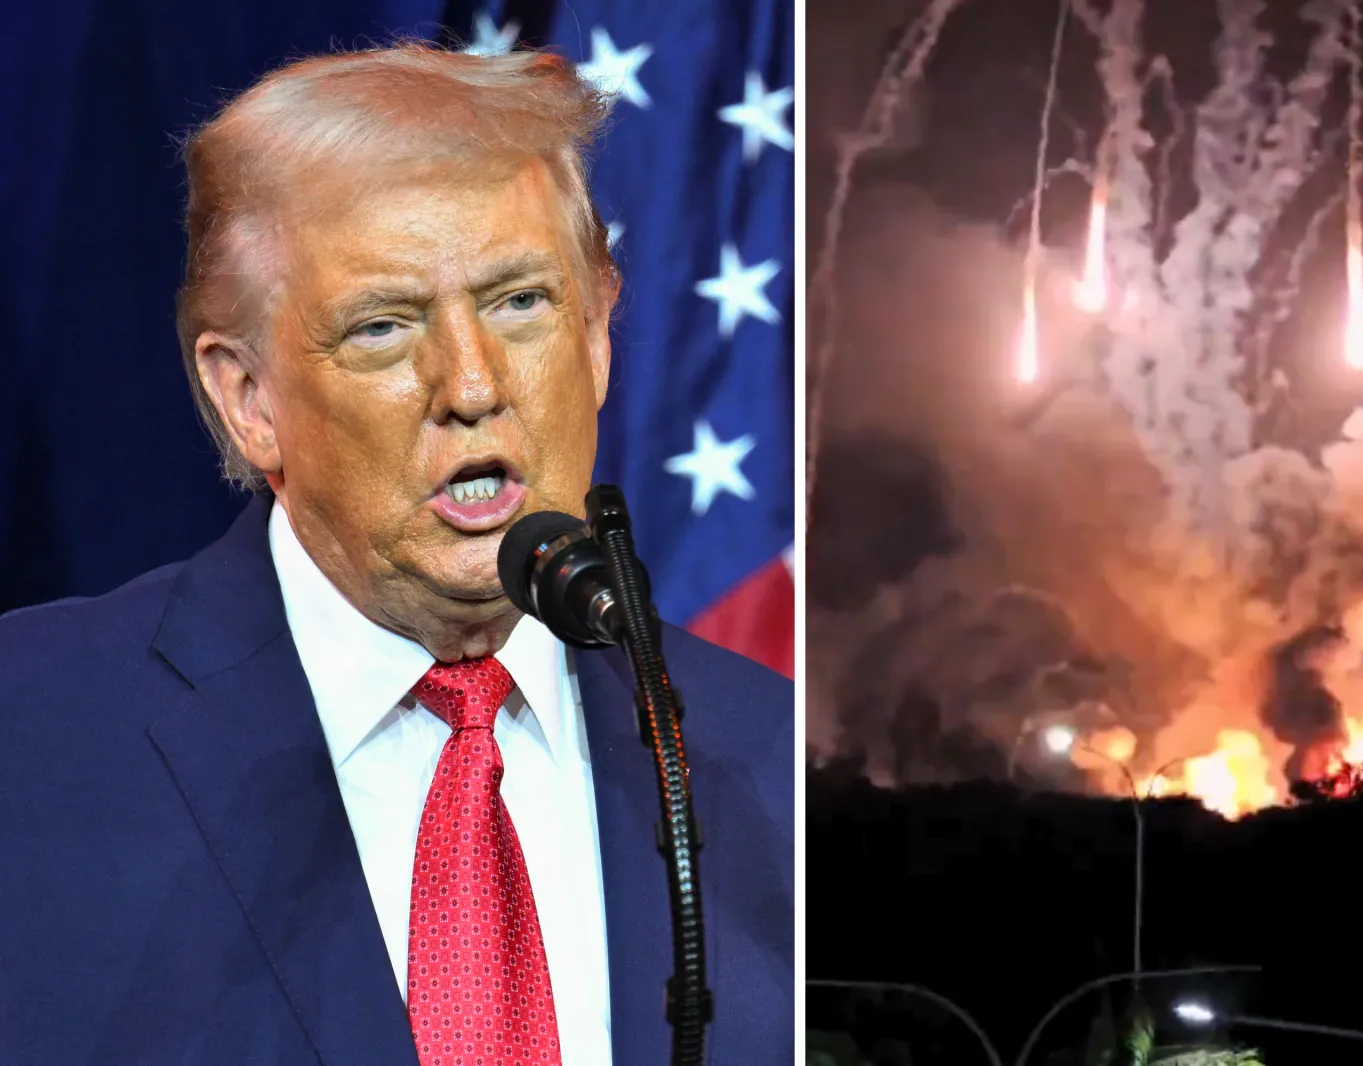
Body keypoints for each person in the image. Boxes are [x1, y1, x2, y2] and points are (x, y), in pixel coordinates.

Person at [0, 43, 792, 1066]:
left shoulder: (761, 760)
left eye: (520, 303)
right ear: (249, 400)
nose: (469, 383)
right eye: (382, 327)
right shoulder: (32, 734)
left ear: (598, 334)